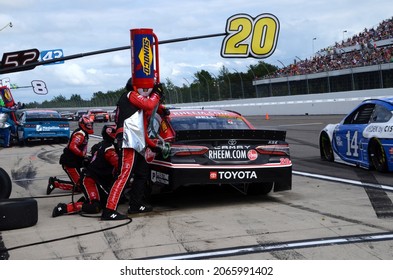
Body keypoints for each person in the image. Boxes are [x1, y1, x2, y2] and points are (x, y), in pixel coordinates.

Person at [101, 78, 167, 220]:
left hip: (137, 139)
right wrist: (157, 94)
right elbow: (149, 104)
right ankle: (109, 210)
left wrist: (155, 146)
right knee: (124, 174)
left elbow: (143, 130)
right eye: (147, 88)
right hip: (128, 138)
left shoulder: (138, 107)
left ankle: (135, 205)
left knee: (142, 173)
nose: (148, 90)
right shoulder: (130, 94)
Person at [52, 124, 119, 217]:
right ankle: (64, 208)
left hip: (96, 179)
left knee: (107, 201)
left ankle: (86, 200)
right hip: (89, 179)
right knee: (95, 207)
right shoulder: (109, 150)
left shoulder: (102, 145)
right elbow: (119, 165)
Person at [47, 115, 93, 195]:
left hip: (75, 162)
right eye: (88, 125)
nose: (90, 126)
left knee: (82, 184)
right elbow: (73, 146)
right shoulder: (80, 134)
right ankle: (55, 183)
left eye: (91, 125)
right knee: (81, 187)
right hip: (70, 162)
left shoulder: (84, 133)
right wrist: (82, 154)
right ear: (83, 125)